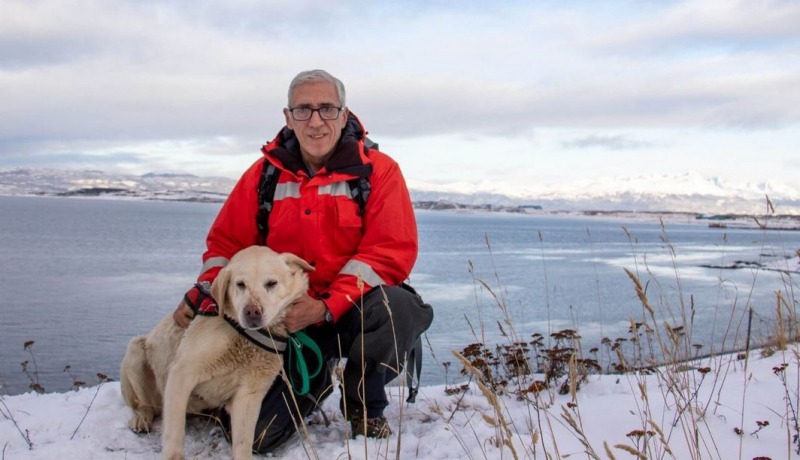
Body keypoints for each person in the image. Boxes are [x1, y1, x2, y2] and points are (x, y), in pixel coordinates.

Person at [172, 69, 434, 452]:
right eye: (304, 110)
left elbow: (388, 253)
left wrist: (325, 307)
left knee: (398, 307)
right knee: (259, 437)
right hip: (282, 325)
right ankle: (306, 382)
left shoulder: (379, 172)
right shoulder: (264, 175)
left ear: (344, 116)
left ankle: (363, 409)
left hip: (349, 310)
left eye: (327, 109)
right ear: (288, 117)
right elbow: (225, 245)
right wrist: (209, 289)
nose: (315, 121)